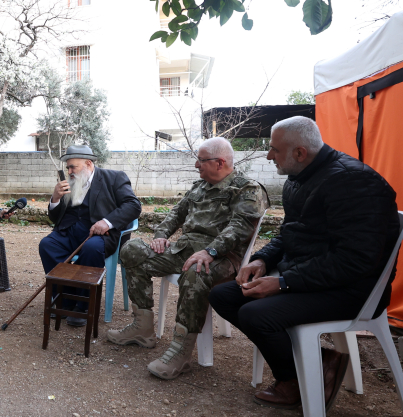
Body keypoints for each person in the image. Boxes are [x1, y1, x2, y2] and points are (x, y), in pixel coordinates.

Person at [209, 116, 400, 411]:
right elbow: (289, 233)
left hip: (353, 291)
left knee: (256, 315)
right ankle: (320, 363)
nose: (268, 155)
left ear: (300, 153)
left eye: (274, 149)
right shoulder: (300, 179)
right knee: (223, 294)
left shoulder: (354, 182)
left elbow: (355, 260)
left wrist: (284, 282)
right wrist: (263, 260)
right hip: (310, 278)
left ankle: (294, 381)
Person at [107, 137, 269, 380]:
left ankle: (181, 351)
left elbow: (239, 229)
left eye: (201, 160)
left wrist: (210, 251)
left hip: (222, 257)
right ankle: (142, 328)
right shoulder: (200, 186)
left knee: (197, 269)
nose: (196, 165)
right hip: (184, 250)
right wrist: (161, 236)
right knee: (132, 250)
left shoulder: (247, 190)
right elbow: (176, 214)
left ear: (220, 162)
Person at [39, 144, 141, 327]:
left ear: (88, 163)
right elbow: (56, 218)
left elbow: (133, 206)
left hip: (100, 234)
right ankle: (64, 298)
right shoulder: (70, 183)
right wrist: (55, 198)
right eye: (68, 167)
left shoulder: (114, 178)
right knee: (47, 245)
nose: (69, 171)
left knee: (91, 248)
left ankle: (83, 304)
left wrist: (107, 222)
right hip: (70, 231)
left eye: (73, 167)